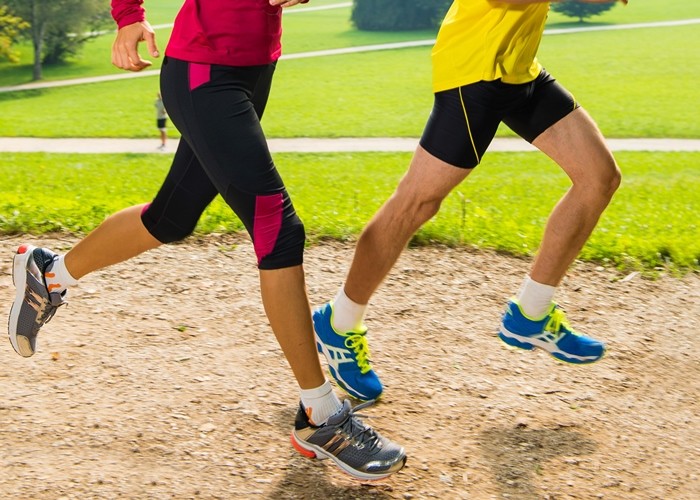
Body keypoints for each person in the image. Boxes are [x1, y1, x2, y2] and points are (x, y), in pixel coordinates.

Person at [7, 0, 406, 480]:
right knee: (279, 229)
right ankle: (320, 415)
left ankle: (49, 274)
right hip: (205, 71)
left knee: (170, 218)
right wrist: (128, 15)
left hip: (254, 66)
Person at [313, 0, 626, 402]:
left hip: (518, 69)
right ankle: (339, 322)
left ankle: (531, 314)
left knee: (598, 178)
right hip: (474, 72)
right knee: (417, 203)